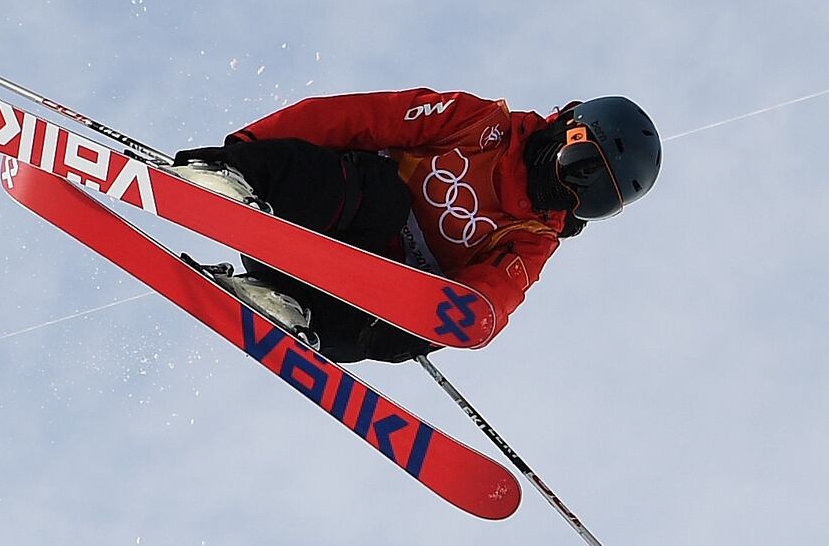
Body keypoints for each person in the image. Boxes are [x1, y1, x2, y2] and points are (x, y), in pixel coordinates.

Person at [168, 86, 662, 362]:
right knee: (381, 195)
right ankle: (231, 182)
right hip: (297, 211)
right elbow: (361, 117)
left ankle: (287, 309)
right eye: (581, 167)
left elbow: (487, 305)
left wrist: (435, 325)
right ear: (566, 127)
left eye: (592, 202)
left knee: (402, 332)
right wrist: (249, 149)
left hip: (341, 281)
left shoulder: (532, 240)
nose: (570, 192)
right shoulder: (479, 125)